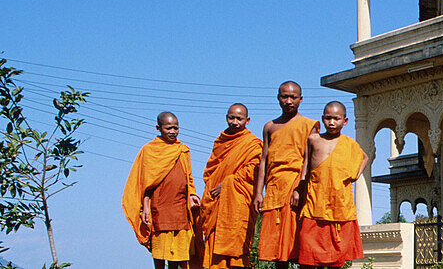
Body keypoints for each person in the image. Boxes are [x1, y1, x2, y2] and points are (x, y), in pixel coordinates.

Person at [292, 101, 368, 269]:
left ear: (345, 121)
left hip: (338, 202)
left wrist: (354, 174)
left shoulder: (349, 143)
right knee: (308, 254)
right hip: (315, 202)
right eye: (328, 118)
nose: (332, 122)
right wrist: (298, 190)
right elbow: (305, 167)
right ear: (322, 119)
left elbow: (364, 158)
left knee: (336, 256)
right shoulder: (313, 139)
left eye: (336, 119)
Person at [122, 111, 201, 269]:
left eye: (176, 128)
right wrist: (145, 208)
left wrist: (192, 195)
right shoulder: (149, 151)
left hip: (180, 209)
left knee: (177, 257)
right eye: (168, 128)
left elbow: (189, 178)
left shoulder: (183, 150)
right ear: (158, 128)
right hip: (159, 208)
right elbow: (145, 184)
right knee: (159, 253)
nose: (172, 132)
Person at [252, 81, 318, 268]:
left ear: (300, 99)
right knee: (275, 246)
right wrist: (258, 193)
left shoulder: (309, 125)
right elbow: (264, 159)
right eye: (284, 96)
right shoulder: (269, 127)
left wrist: (300, 188)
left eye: (293, 97)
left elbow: (308, 159)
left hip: (295, 186)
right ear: (278, 98)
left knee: (295, 242)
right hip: (273, 188)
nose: (288, 101)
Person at [200, 103, 262, 269]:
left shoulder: (252, 144)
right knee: (215, 248)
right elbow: (210, 171)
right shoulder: (220, 141)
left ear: (247, 120)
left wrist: (227, 183)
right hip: (216, 202)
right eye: (231, 117)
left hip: (238, 201)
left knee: (238, 247)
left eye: (239, 118)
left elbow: (254, 171)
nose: (235, 122)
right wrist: (216, 186)